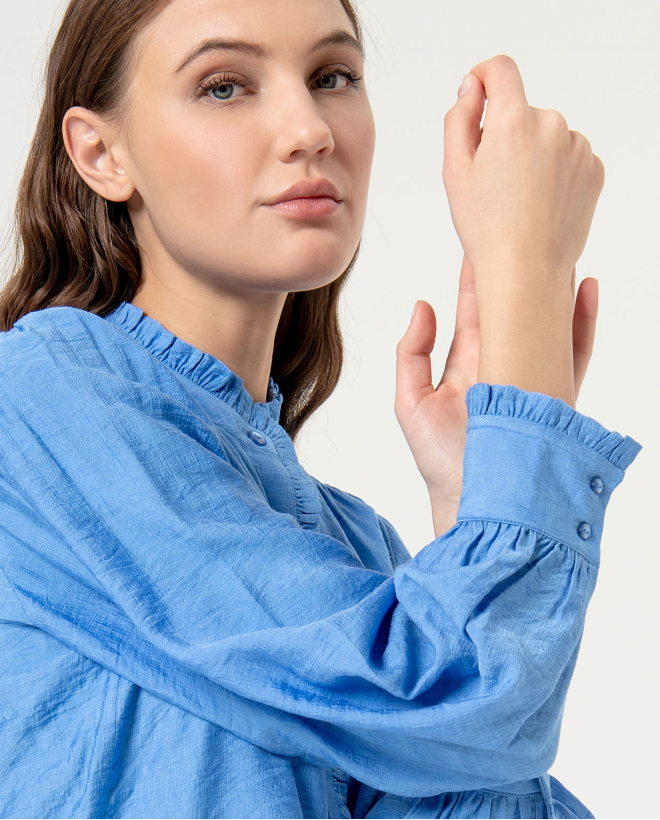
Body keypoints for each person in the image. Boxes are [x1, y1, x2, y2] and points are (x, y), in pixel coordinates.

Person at [0, 0, 642, 817]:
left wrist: (473, 502)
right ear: (101, 152)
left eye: (331, 76)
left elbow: (471, 752)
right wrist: (524, 269)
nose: (309, 128)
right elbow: (446, 696)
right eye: (226, 86)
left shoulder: (353, 549)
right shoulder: (42, 394)